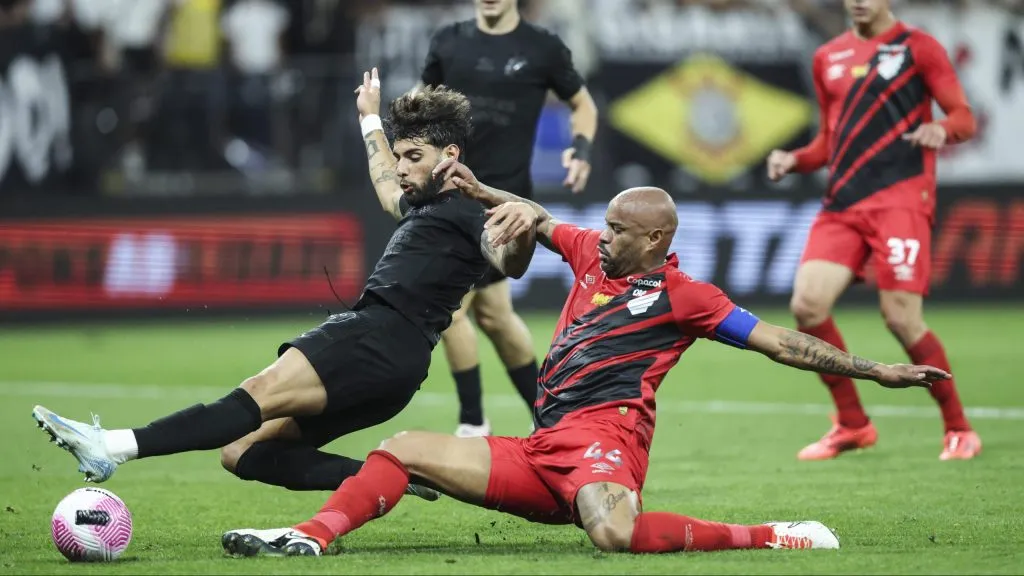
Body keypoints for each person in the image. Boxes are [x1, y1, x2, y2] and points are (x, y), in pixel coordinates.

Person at [219, 161, 950, 558]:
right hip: (542, 448)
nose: (600, 238)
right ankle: (310, 538)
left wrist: (877, 371)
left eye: (618, 232)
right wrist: (482, 192)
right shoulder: (591, 258)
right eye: (603, 226)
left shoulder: (687, 296)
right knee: (400, 448)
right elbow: (539, 221)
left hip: (607, 446)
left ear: (657, 241)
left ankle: (770, 534)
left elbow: (781, 343)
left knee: (611, 533)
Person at [30, 69, 538, 501]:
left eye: (414, 156)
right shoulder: (428, 205)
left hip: (376, 335)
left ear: (450, 154)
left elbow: (509, 260)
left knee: (253, 394)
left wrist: (515, 223)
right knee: (242, 452)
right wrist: (368, 118)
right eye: (401, 155)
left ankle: (110, 446)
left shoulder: (474, 214)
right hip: (396, 370)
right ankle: (387, 477)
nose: (402, 168)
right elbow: (386, 187)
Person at [765, 0, 981, 461]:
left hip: (900, 199)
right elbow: (828, 140)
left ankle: (959, 428)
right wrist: (796, 159)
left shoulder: (918, 47)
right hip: (842, 203)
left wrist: (943, 130)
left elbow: (963, 116)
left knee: (901, 318)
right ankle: (853, 424)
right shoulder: (829, 56)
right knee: (806, 305)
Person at [417, 0, 599, 437]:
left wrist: (582, 150)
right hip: (450, 193)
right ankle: (550, 418)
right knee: (493, 314)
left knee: (451, 310)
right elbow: (420, 107)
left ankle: (474, 421)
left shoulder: (543, 47)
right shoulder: (449, 41)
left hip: (505, 202)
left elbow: (584, 106)